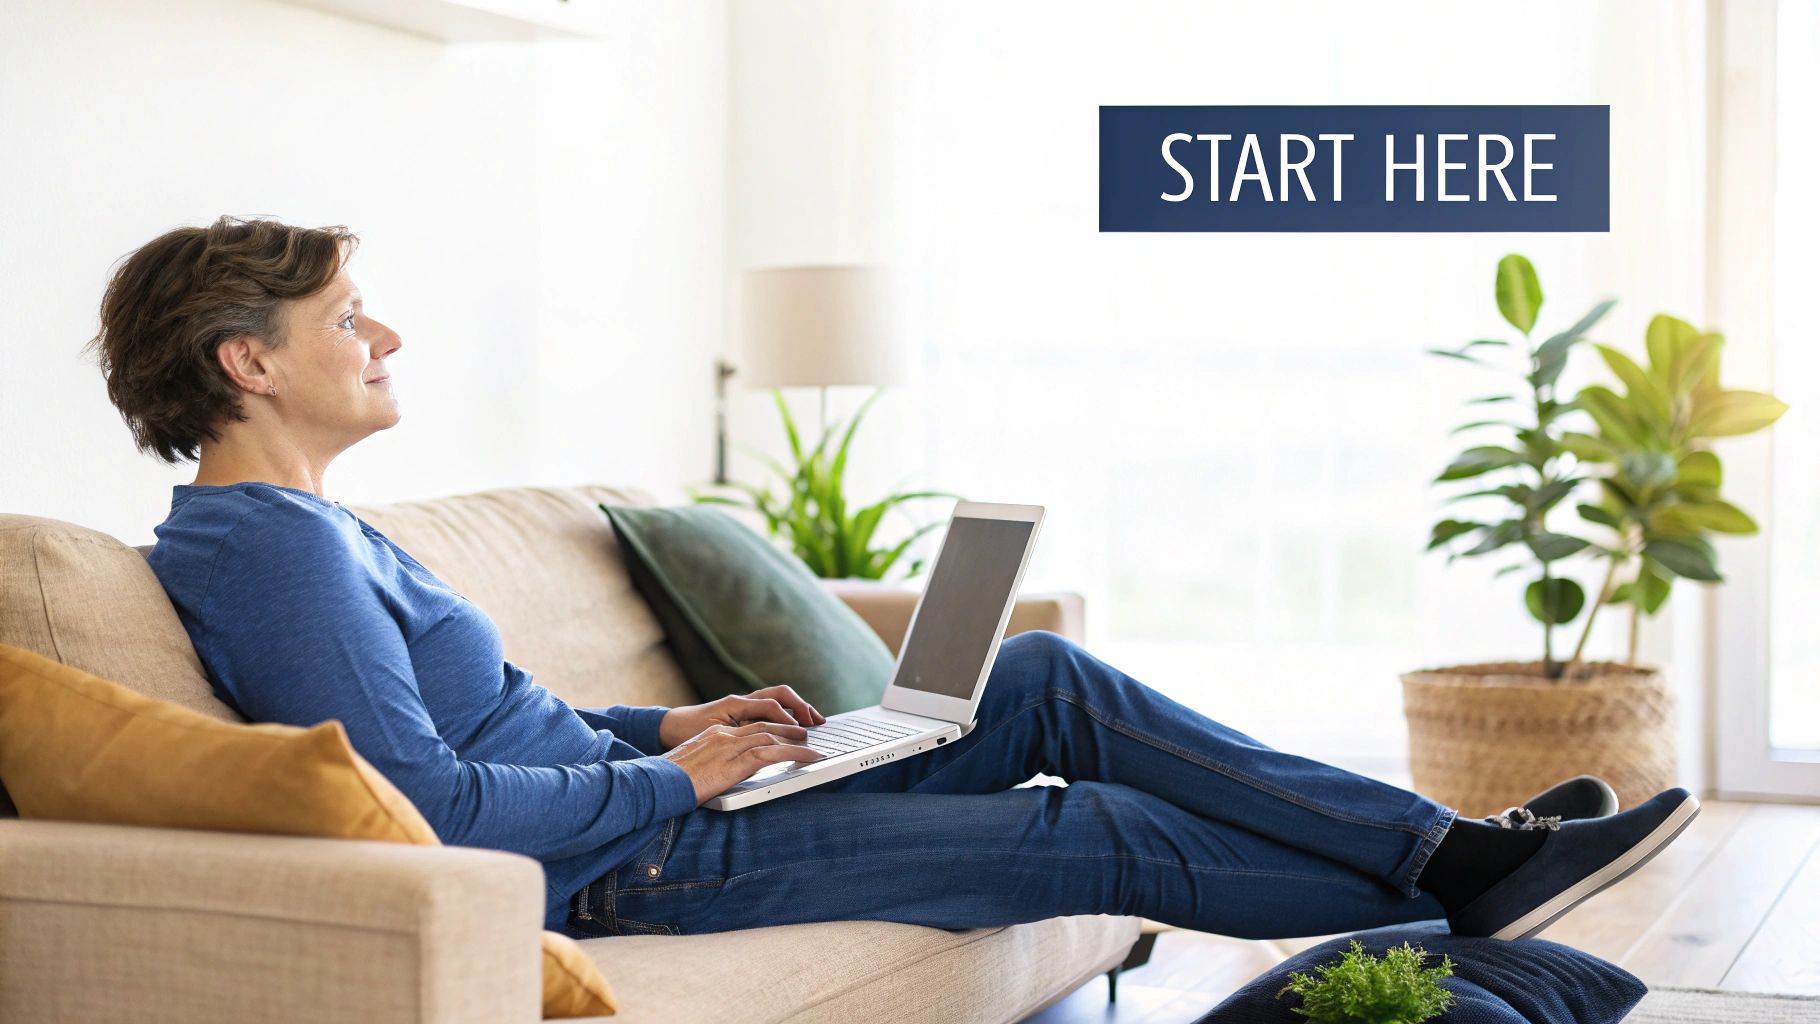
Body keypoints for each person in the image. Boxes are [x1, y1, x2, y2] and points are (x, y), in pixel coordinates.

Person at [94, 215, 1699, 944]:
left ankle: (1449, 855)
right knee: (1092, 825)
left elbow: (504, 717)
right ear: (249, 359)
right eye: (349, 316)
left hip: (653, 808)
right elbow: (435, 809)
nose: (384, 338)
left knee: (1043, 684)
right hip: (621, 876)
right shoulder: (263, 548)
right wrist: (675, 794)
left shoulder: (330, 525)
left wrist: (672, 732)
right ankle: (1468, 909)